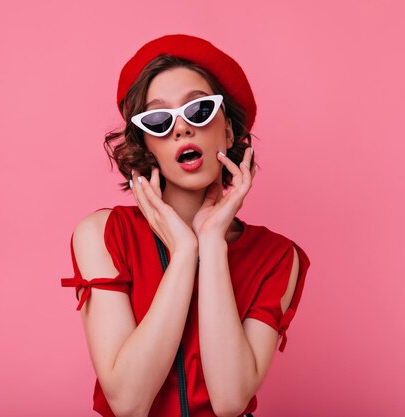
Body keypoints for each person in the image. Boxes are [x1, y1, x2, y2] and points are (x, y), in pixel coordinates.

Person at [60, 34, 311, 417]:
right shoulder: (102, 235)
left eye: (198, 111)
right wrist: (183, 253)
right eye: (159, 119)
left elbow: (229, 401)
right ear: (146, 144)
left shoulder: (277, 257)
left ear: (228, 131)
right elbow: (128, 403)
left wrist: (210, 243)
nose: (181, 129)